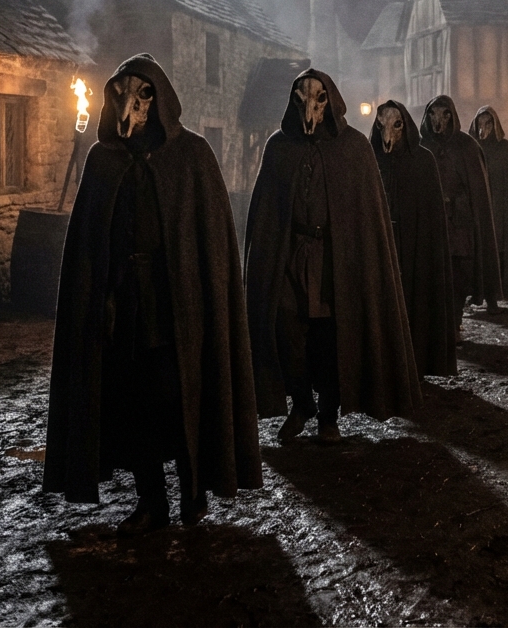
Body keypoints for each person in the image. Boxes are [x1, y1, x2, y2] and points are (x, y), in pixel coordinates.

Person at [43, 53, 262, 536]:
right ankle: (151, 500)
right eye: (121, 96)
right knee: (133, 403)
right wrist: (98, 294)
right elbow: (88, 243)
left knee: (179, 393)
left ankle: (193, 489)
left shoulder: (192, 156)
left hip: (177, 303)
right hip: (123, 306)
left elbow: (211, 245)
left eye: (142, 97)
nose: (131, 110)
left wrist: (200, 293)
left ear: (157, 101)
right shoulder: (102, 161)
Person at [245, 69, 421, 444]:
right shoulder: (279, 146)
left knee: (330, 339)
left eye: (319, 100)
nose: (310, 110)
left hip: (335, 260)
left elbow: (365, 217)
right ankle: (302, 403)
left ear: (331, 102)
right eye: (303, 99)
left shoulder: (353, 148)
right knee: (285, 330)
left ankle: (328, 415)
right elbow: (265, 213)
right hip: (292, 259)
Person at [371, 100, 458, 377]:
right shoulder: (370, 160)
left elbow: (431, 217)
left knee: (414, 301)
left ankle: (416, 361)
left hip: (414, 246)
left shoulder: (422, 161)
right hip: (382, 245)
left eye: (396, 126)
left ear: (404, 126)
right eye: (382, 126)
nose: (388, 137)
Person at [419, 95, 502, 318]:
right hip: (430, 227)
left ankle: (455, 322)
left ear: (451, 116)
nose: (438, 121)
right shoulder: (421, 147)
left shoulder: (467, 147)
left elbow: (477, 194)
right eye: (433, 114)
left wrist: (455, 202)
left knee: (458, 275)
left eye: (444, 114)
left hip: (459, 227)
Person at [469, 106, 508, 299]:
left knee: (498, 251)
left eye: (488, 124)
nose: (483, 129)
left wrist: (507, 215)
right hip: (477, 210)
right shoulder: (471, 149)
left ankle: (497, 294)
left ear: (494, 125)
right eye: (480, 124)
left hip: (499, 210)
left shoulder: (505, 149)